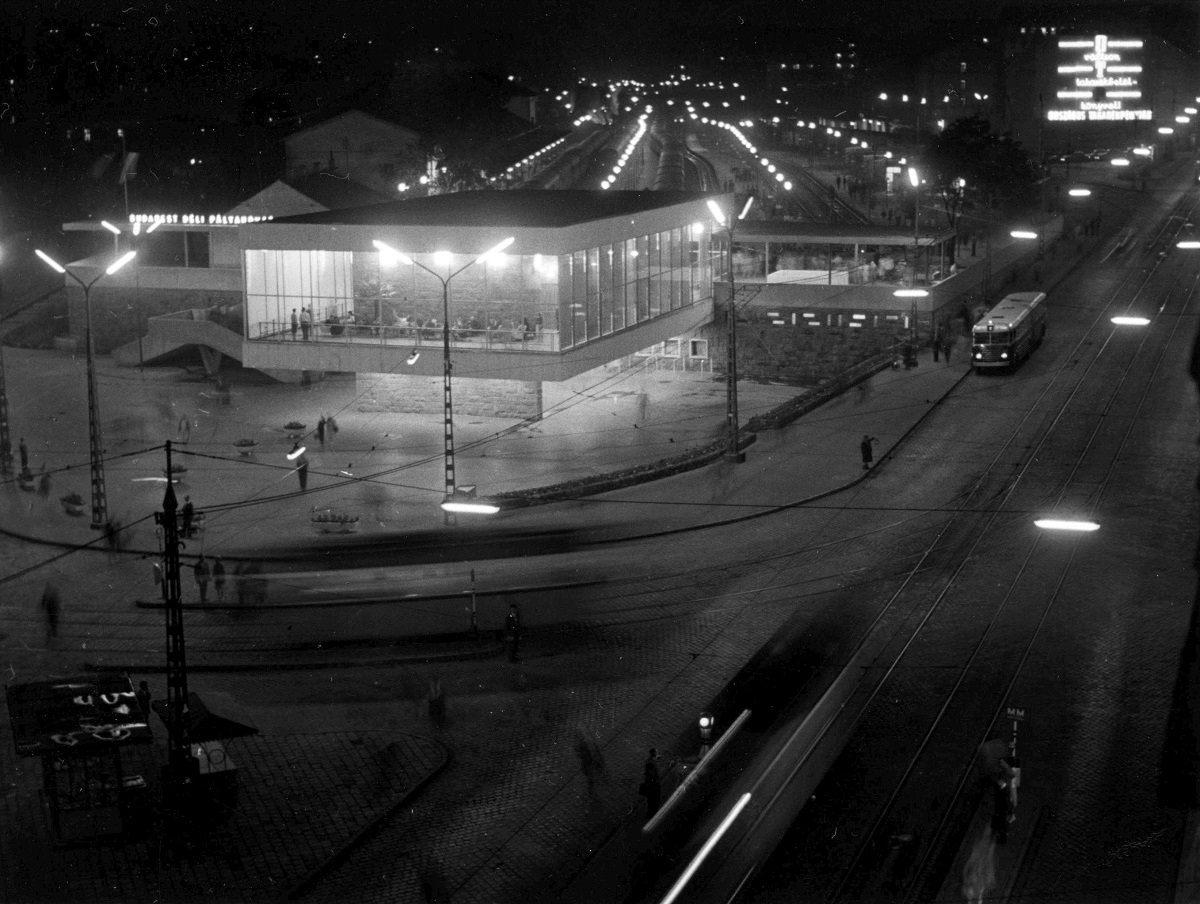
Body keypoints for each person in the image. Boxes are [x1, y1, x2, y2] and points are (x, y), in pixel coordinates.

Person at [640, 748, 662, 819]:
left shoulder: (650, 761)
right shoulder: (651, 764)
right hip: (653, 785)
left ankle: (651, 813)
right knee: (654, 800)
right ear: (654, 753)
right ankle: (651, 815)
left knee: (652, 800)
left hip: (652, 784)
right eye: (656, 752)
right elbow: (652, 775)